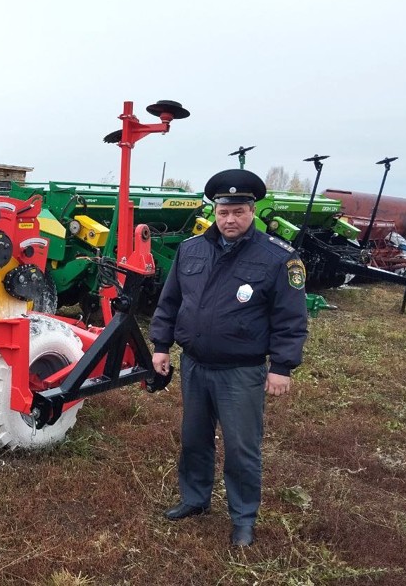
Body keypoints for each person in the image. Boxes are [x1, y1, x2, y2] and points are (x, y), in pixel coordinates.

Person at [149, 168, 308, 547]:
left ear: (253, 210)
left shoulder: (278, 257)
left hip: (241, 371)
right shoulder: (191, 249)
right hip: (195, 364)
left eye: (238, 211)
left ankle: (243, 518)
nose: (229, 220)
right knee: (194, 438)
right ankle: (194, 498)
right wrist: (159, 346)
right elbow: (170, 303)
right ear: (215, 212)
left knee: (241, 447)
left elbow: (290, 318)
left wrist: (282, 367)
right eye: (223, 212)